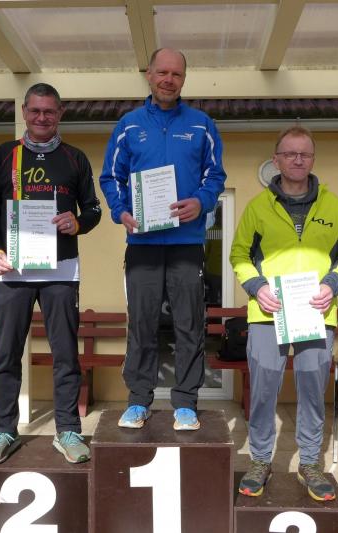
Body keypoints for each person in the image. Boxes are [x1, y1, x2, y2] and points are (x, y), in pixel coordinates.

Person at [98, 48, 226, 431]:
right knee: (142, 323)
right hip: (143, 246)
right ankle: (138, 400)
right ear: (149, 75)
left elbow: (215, 176)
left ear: (184, 79)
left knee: (189, 324)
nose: (169, 80)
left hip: (187, 244)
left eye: (176, 74)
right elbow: (111, 177)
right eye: (162, 72)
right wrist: (120, 211)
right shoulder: (128, 126)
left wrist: (201, 202)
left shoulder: (202, 125)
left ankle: (185, 403)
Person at [230, 126, 338, 501]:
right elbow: (239, 255)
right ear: (276, 160)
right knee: (263, 391)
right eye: (290, 153)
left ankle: (310, 464)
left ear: (313, 159)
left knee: (312, 391)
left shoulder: (334, 206)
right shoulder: (257, 207)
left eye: (304, 154)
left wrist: (332, 284)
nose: (297, 159)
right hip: (267, 314)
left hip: (316, 314)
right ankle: (260, 460)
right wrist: (258, 287)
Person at [0, 83, 102, 464]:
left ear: (60, 113)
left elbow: (94, 210)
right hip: (12, 273)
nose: (42, 117)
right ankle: (4, 430)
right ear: (24, 112)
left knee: (65, 354)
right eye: (35, 111)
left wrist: (77, 223)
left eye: (49, 111)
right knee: (7, 354)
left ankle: (68, 430)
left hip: (61, 272)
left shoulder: (75, 158)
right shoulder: (5, 154)